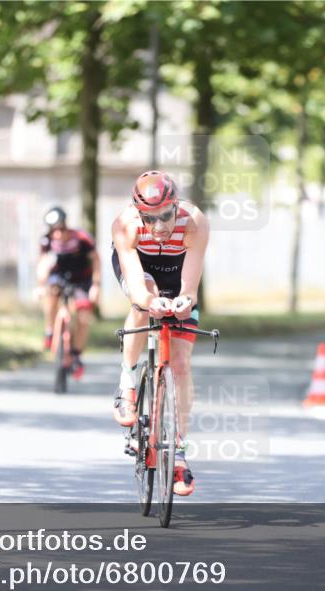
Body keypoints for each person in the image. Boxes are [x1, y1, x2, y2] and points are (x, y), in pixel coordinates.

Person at [110, 170, 210, 496]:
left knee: (180, 365)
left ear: (176, 205)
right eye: (149, 218)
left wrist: (184, 301)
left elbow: (191, 288)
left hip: (178, 272)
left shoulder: (194, 222)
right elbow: (139, 289)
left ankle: (179, 450)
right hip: (144, 273)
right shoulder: (126, 224)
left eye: (166, 215)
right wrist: (151, 302)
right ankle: (127, 382)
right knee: (144, 302)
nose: (159, 226)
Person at [35, 206, 100, 380]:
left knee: (84, 314)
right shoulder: (46, 241)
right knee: (51, 295)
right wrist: (41, 285)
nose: (57, 234)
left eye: (60, 229)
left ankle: (77, 354)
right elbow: (42, 264)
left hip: (82, 279)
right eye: (53, 230)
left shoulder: (81, 238)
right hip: (59, 277)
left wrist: (96, 285)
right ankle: (50, 330)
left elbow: (95, 260)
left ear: (65, 225)